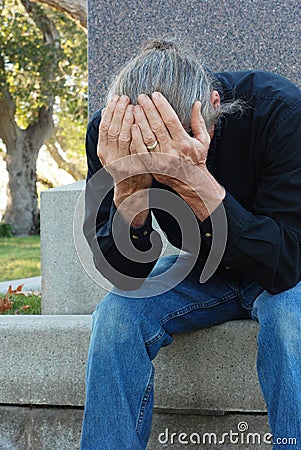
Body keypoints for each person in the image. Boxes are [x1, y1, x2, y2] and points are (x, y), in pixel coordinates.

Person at [80, 40, 301, 449]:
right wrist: (129, 189)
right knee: (116, 317)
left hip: (284, 270)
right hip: (202, 270)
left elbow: (287, 261)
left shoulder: (281, 112)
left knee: (290, 323)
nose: (157, 166)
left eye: (168, 151)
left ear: (213, 108)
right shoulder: (111, 136)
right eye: (146, 153)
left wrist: (196, 180)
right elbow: (121, 274)